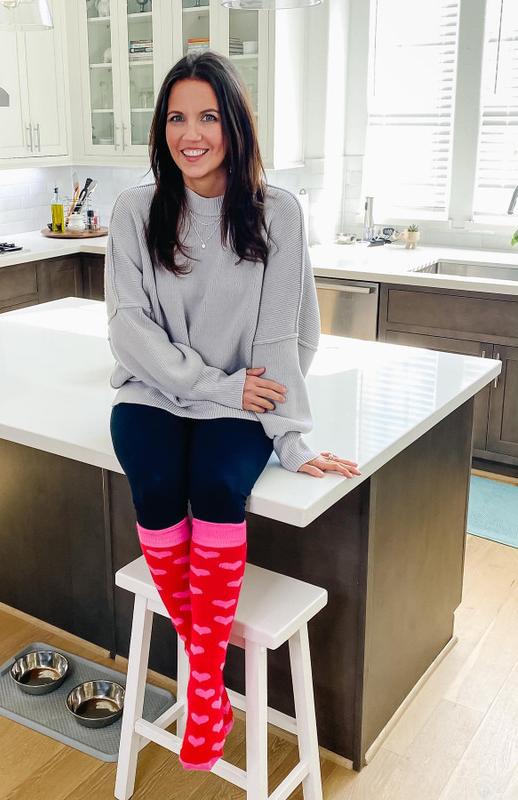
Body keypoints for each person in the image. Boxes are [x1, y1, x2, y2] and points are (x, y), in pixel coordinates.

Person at [106, 50, 360, 771]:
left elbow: (283, 337)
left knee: (217, 488)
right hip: (155, 391)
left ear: (234, 125)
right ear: (162, 129)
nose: (192, 133)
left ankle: (202, 673)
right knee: (158, 483)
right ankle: (209, 680)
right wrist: (217, 387)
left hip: (243, 401)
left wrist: (290, 437)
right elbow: (129, 329)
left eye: (208, 116)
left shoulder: (276, 211)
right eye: (177, 117)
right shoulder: (134, 210)